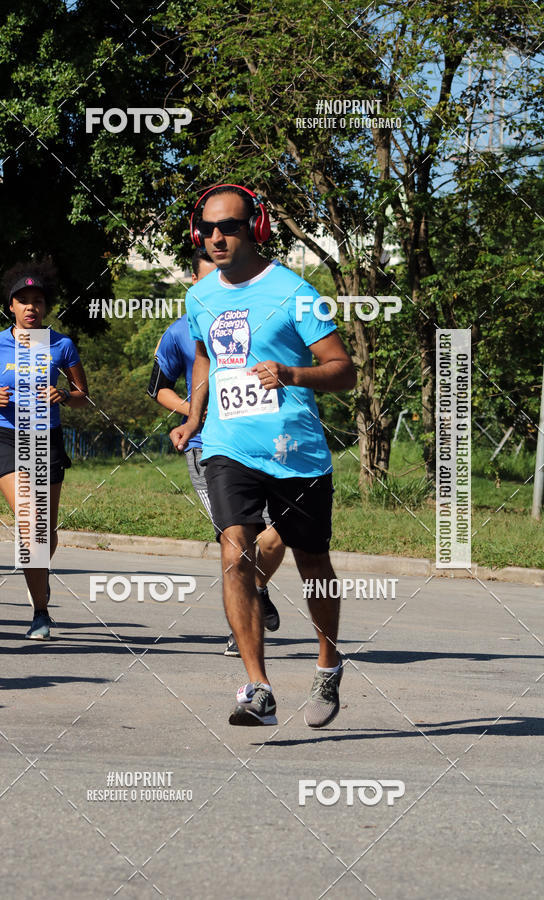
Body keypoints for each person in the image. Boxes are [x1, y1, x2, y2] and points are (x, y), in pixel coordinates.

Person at [171, 184, 356, 727]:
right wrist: (194, 415)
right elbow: (204, 358)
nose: (215, 237)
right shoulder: (199, 297)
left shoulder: (297, 292)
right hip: (228, 446)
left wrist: (293, 373)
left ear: (256, 227)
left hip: (294, 451)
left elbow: (343, 370)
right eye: (206, 229)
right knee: (235, 553)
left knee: (313, 562)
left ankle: (327, 665)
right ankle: (257, 685)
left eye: (228, 226)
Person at [148, 249, 285, 656]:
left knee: (278, 535)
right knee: (236, 540)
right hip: (208, 448)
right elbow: (158, 386)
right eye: (210, 279)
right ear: (194, 282)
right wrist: (194, 413)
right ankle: (239, 629)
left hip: (263, 445)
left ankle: (257, 589)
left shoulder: (259, 320)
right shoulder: (179, 332)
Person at [0, 263, 89, 639]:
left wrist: (64, 394)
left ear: (45, 307)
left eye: (37, 301)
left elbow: (83, 397)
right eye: (23, 301)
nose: (30, 307)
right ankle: (41, 612)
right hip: (5, 438)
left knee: (46, 534)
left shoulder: (62, 345)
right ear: (11, 306)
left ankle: (39, 579)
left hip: (46, 440)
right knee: (32, 523)